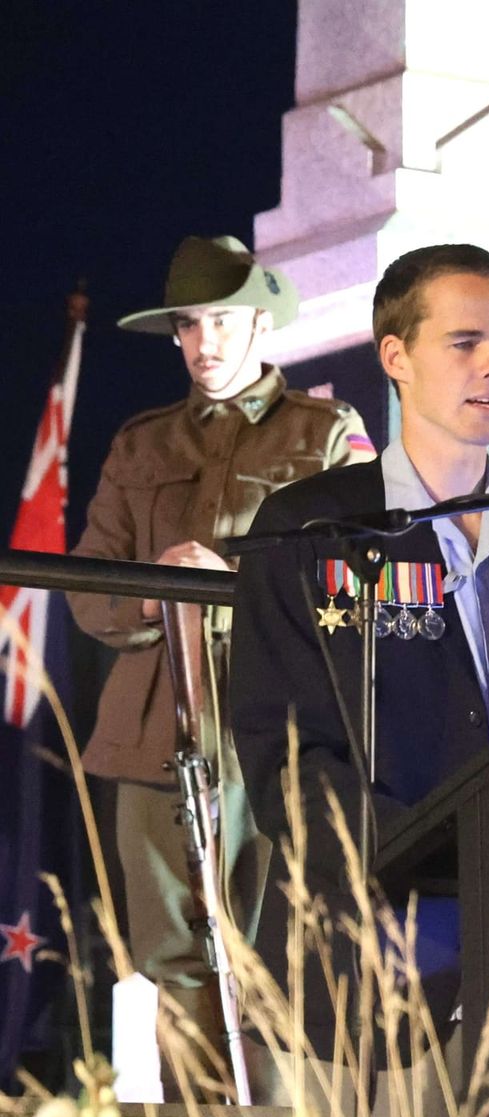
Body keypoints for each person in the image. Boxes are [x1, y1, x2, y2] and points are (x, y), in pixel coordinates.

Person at [229, 242, 489, 1058]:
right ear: (396, 357)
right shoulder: (312, 528)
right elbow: (284, 757)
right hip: (375, 961)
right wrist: (428, 856)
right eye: (464, 342)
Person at [66, 235, 374, 1068]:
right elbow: (87, 586)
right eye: (189, 325)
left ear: (261, 325)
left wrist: (235, 584)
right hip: (153, 734)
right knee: (166, 959)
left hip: (273, 731)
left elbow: (361, 581)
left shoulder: (326, 433)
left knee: (271, 957)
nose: (204, 342)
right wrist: (156, 588)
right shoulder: (141, 444)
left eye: (222, 321)